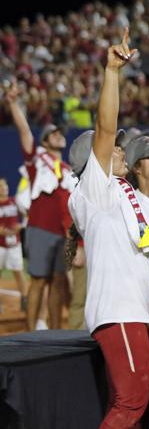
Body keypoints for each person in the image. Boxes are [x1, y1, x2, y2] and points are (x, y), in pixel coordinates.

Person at [67, 29, 149, 428]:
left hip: (134, 310)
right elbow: (105, 130)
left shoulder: (126, 194)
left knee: (130, 405)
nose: (120, 148)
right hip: (119, 312)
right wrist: (112, 73)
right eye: (113, 147)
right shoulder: (94, 189)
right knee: (131, 403)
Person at [5, 81, 75, 330]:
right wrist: (13, 104)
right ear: (45, 141)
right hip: (40, 229)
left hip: (63, 234)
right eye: (54, 133)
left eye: (61, 133)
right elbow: (25, 133)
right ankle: (30, 331)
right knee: (38, 282)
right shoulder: (37, 161)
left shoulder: (68, 170)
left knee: (58, 283)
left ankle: (54, 334)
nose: (59, 135)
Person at [0, 177, 25, 312]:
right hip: (0, 245)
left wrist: (20, 226)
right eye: (1, 186)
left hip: (14, 245)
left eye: (5, 185)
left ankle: (24, 300)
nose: (4, 188)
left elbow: (26, 216)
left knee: (18, 273)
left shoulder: (15, 201)